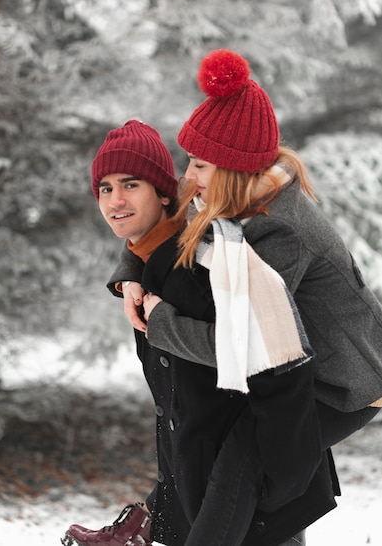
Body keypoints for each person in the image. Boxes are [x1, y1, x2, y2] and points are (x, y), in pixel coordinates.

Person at [120, 49, 382, 545]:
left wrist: (161, 322)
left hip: (344, 382)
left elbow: (242, 350)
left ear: (233, 167)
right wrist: (130, 274)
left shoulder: (277, 233)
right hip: (292, 365)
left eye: (199, 164)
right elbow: (166, 220)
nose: (189, 175)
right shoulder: (226, 197)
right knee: (254, 477)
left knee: (247, 456)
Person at [61, 117, 337, 546]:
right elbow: (178, 407)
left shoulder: (210, 259)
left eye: (130, 184)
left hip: (255, 486)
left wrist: (272, 486)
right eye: (105, 188)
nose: (114, 200)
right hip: (205, 486)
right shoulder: (153, 264)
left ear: (165, 191)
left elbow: (266, 363)